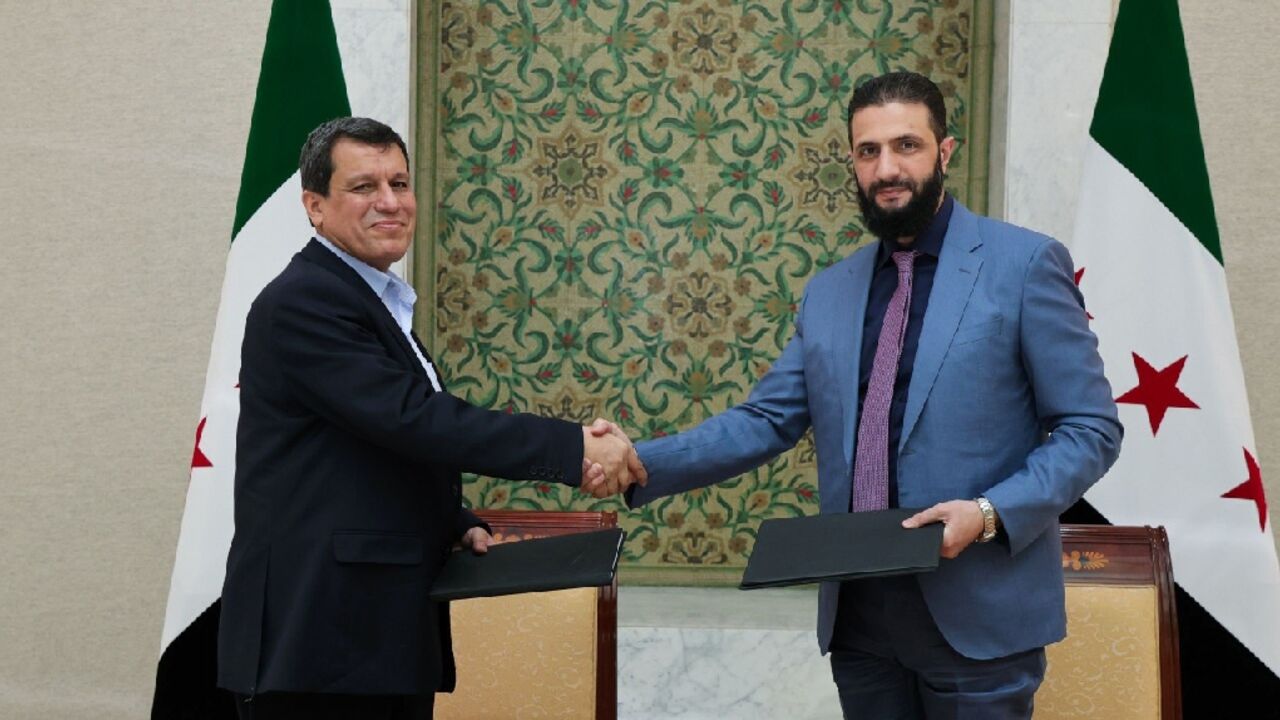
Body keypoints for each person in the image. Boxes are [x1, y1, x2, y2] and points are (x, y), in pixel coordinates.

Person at [603, 71, 1122, 718]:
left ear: (945, 151)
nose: (887, 169)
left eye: (907, 145)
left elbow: (1090, 428)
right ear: (851, 161)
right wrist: (638, 460)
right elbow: (766, 419)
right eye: (868, 151)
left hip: (978, 616)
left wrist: (988, 514)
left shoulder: (1024, 266)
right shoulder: (831, 291)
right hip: (861, 622)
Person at [217, 116, 642, 719]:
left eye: (400, 183)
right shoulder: (304, 301)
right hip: (319, 641)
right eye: (364, 187)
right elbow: (415, 419)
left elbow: (372, 452)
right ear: (315, 206)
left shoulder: (368, 298)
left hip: (372, 636)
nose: (390, 202)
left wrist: (450, 521)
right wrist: (573, 449)